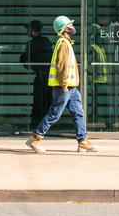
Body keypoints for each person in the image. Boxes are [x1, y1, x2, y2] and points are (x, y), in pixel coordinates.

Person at [26, 15, 97, 153]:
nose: (72, 27)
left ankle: (83, 141)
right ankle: (35, 138)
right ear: (64, 29)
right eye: (70, 25)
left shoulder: (67, 43)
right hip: (63, 87)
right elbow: (61, 66)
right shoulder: (63, 44)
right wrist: (64, 85)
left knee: (78, 113)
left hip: (72, 87)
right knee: (55, 113)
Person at [19, 20, 53, 127]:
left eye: (29, 29)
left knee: (39, 101)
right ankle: (47, 123)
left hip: (41, 76)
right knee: (48, 101)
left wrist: (29, 63)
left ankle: (37, 124)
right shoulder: (46, 41)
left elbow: (26, 60)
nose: (28, 31)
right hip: (49, 76)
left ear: (34, 30)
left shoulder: (32, 43)